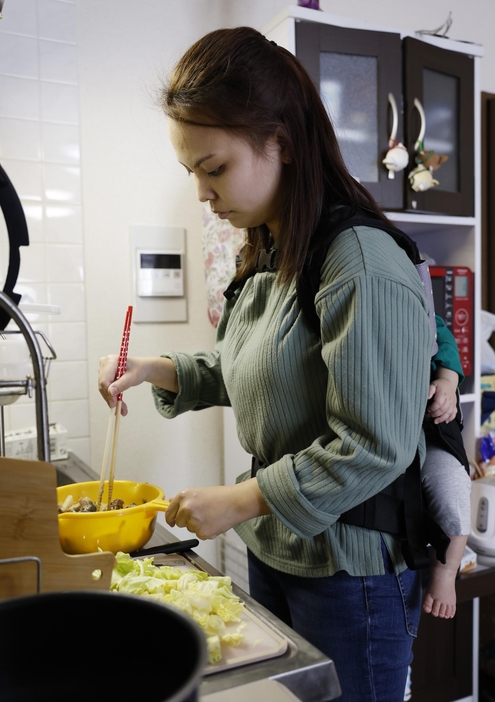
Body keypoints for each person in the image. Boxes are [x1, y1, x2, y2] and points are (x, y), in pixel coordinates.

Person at [99, 27, 438, 701]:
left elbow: (373, 445)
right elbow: (249, 369)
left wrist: (238, 500)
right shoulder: (272, 253)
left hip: (352, 576)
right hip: (277, 550)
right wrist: (153, 368)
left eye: (213, 168)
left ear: (279, 141)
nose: (201, 192)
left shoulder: (360, 264)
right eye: (191, 172)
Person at [422, 315, 472, 619]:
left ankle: (446, 573)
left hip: (430, 430)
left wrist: (447, 382)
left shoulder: (422, 304)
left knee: (452, 487)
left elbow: (446, 345)